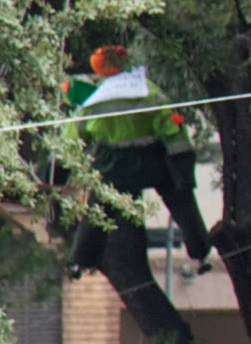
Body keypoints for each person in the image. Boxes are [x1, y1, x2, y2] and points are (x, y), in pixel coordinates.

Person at [68, 45, 214, 278]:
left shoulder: (94, 99)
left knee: (98, 212)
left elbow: (76, 134)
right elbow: (171, 129)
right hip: (152, 160)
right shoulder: (148, 91)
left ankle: (80, 262)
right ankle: (200, 252)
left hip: (113, 164)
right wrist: (183, 168)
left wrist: (66, 168)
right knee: (182, 202)